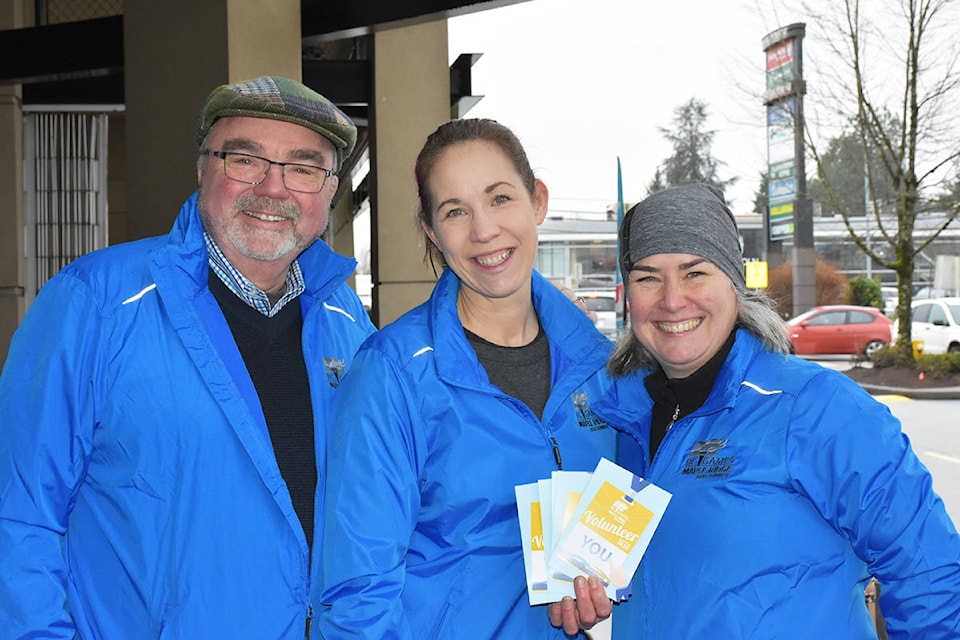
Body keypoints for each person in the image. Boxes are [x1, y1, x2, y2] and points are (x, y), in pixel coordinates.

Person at [0, 76, 376, 638]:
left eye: (302, 168)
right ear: (203, 169)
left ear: (329, 192)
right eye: (245, 159)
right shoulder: (97, 301)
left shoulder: (349, 322)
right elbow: (19, 511)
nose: (273, 188)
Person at [551, 183, 960, 638]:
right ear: (629, 295)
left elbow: (931, 575)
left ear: (734, 281)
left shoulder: (815, 407)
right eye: (648, 277)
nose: (671, 299)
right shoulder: (624, 420)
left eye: (695, 273)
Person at [319, 118, 614, 639]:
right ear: (432, 230)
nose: (483, 231)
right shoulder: (393, 373)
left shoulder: (604, 367)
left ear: (537, 201)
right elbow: (357, 589)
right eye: (456, 211)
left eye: (500, 198)